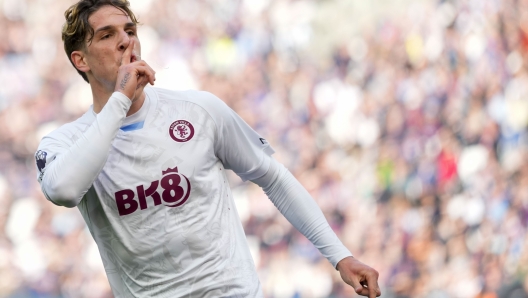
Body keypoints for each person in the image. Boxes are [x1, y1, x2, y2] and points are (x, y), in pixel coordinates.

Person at [35, 0, 381, 297]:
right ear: (81, 61)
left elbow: (272, 177)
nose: (126, 41)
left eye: (129, 30)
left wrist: (340, 256)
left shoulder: (198, 111)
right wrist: (119, 101)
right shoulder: (66, 143)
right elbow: (64, 191)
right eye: (108, 35)